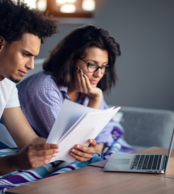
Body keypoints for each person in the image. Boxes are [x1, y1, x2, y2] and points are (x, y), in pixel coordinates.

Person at [0, 0, 96, 178]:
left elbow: (29, 141)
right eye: (25, 54)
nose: (30, 65)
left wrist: (74, 149)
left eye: (34, 57)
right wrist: (14, 162)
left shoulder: (6, 85)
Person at [17, 25, 129, 156]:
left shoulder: (90, 89)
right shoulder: (44, 88)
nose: (99, 74)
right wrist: (95, 100)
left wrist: (92, 150)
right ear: (72, 60)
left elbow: (103, 138)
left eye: (104, 66)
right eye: (92, 64)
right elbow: (70, 146)